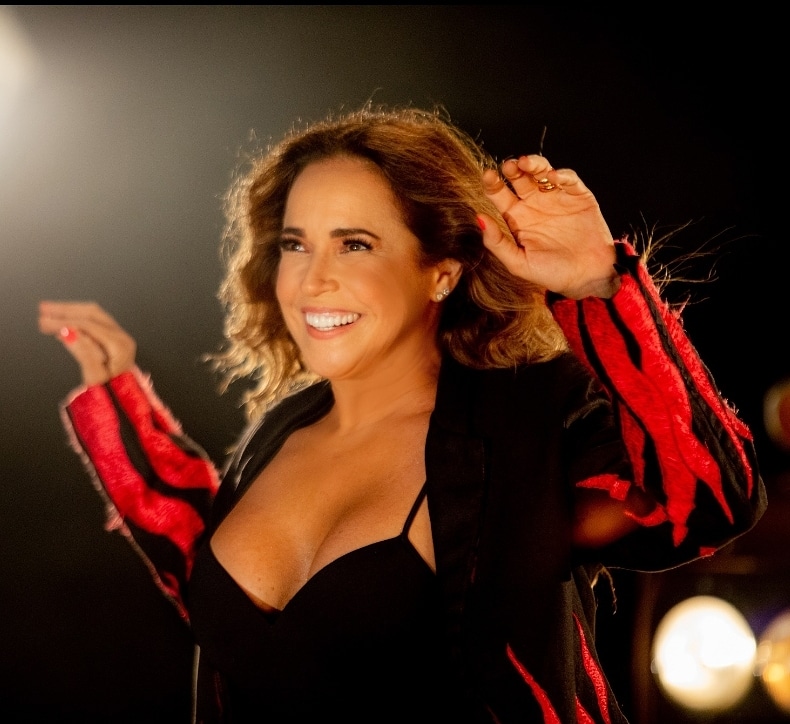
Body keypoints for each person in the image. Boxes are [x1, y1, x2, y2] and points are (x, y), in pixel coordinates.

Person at [38, 105, 766, 724]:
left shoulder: (521, 427)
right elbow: (218, 602)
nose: (313, 279)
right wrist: (118, 410)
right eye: (296, 244)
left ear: (441, 270)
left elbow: (707, 502)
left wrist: (601, 285)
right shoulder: (275, 436)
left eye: (354, 244)